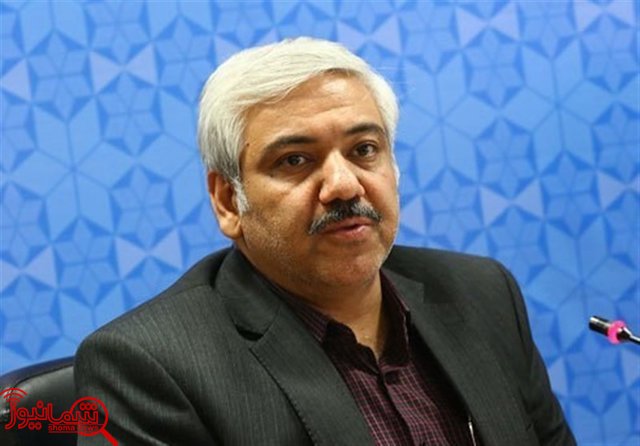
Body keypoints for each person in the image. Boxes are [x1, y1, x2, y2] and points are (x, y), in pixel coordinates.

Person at [75, 37, 575, 446]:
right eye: (295, 160)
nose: (344, 185)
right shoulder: (150, 367)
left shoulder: (482, 294)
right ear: (229, 201)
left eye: (364, 149)